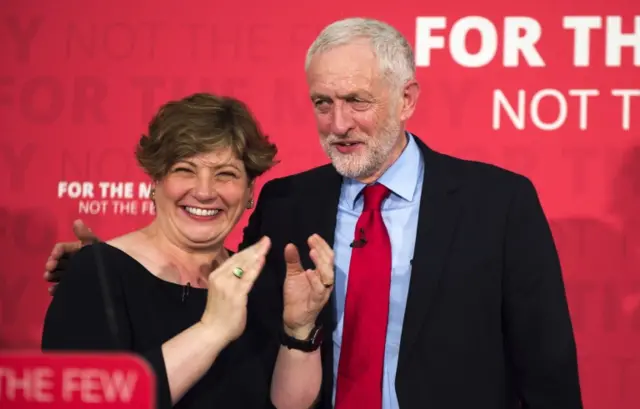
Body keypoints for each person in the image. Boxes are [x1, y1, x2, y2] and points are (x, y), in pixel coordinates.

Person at [43, 18, 584, 409]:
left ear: (408, 99)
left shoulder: (499, 203)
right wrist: (105, 271)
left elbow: (548, 369)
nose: (339, 123)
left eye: (357, 101)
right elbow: (212, 282)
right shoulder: (286, 203)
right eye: (322, 103)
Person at [41, 93, 334, 409]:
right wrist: (212, 331)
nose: (205, 192)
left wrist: (299, 330)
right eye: (185, 170)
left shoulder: (251, 283)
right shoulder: (97, 274)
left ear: (249, 191)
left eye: (226, 174)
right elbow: (89, 402)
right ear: (156, 180)